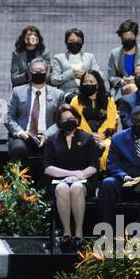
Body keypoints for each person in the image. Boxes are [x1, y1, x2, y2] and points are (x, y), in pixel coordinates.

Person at [42, 102, 100, 247]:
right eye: (65, 119)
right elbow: (47, 167)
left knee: (76, 187)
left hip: (84, 180)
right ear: (59, 122)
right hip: (58, 181)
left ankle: (79, 232)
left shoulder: (87, 138)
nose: (69, 122)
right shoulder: (53, 139)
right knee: (62, 188)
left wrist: (80, 176)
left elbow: (94, 166)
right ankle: (66, 232)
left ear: (77, 119)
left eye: (71, 118)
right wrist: (70, 174)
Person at [98, 108, 140, 229]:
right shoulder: (118, 138)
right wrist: (124, 177)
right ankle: (108, 230)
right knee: (107, 183)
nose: (137, 125)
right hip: (124, 179)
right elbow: (112, 164)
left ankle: (138, 232)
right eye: (134, 122)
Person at [3, 56, 62, 178]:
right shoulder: (18, 91)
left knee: (59, 148)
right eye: (35, 71)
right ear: (29, 74)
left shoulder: (58, 94)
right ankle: (20, 188)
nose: (38, 73)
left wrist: (47, 134)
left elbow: (61, 121)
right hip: (24, 135)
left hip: (47, 136)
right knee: (18, 148)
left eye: (41, 71)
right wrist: (19, 132)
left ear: (47, 74)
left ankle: (49, 189)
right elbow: (8, 117)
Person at [68, 68, 118, 166]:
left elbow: (113, 121)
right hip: (82, 137)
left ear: (98, 84)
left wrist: (103, 135)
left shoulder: (108, 100)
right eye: (85, 82)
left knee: (108, 146)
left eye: (91, 81)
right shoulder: (75, 100)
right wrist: (89, 136)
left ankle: (103, 172)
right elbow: (74, 123)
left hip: (104, 137)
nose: (88, 84)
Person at [106, 20, 140, 98]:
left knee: (134, 88)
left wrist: (136, 80)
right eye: (124, 39)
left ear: (136, 36)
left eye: (130, 39)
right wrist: (122, 81)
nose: (127, 41)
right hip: (122, 89)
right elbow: (111, 77)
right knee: (131, 88)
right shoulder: (114, 54)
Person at [47, 27, 100, 98]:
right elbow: (53, 81)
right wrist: (70, 74)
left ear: (82, 42)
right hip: (67, 93)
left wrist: (85, 75)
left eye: (78, 41)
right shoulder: (58, 58)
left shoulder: (90, 57)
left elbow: (100, 77)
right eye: (71, 40)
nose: (75, 43)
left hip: (88, 92)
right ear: (66, 42)